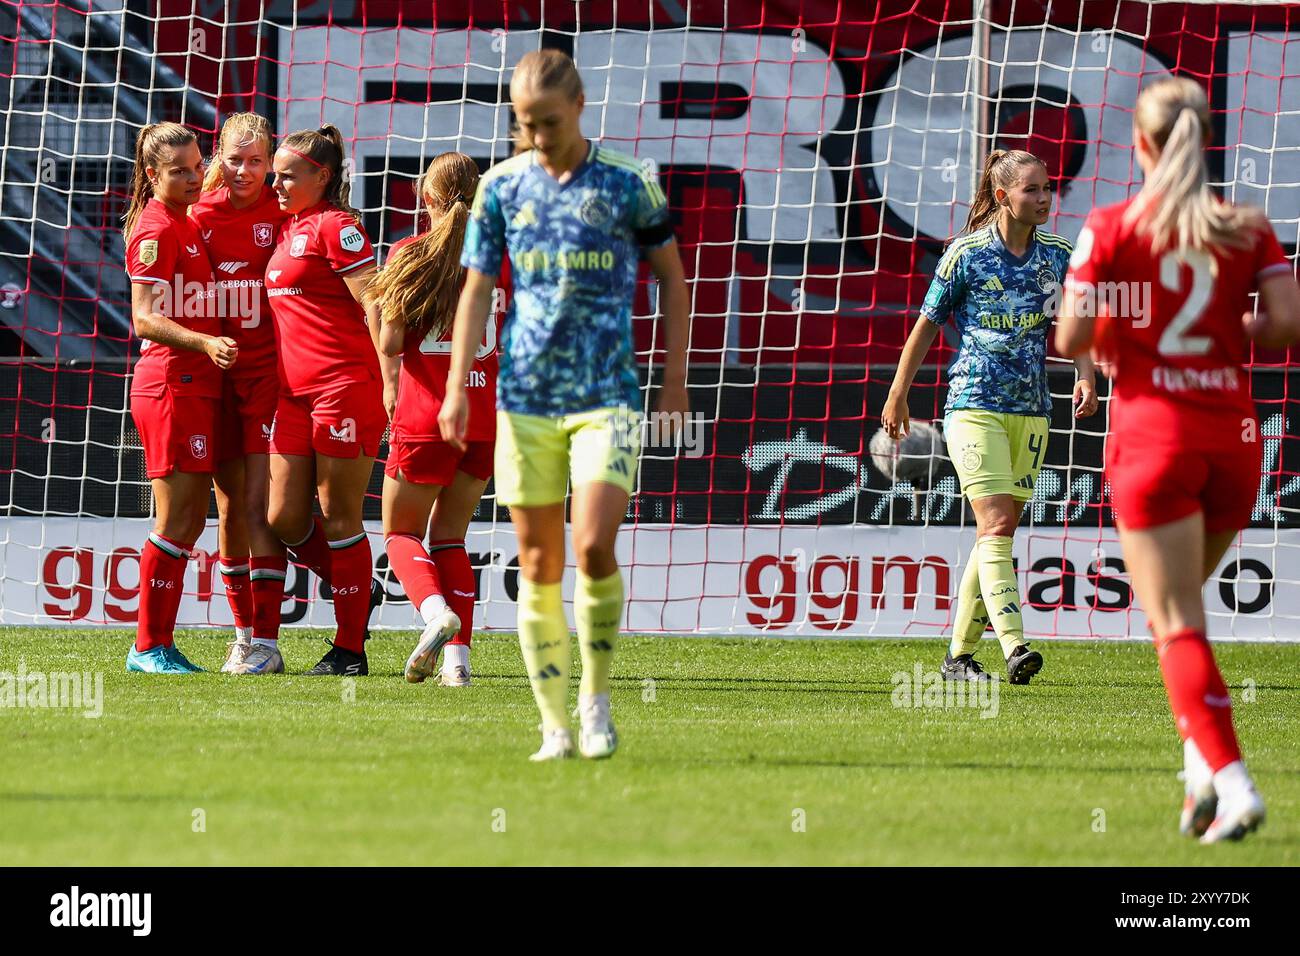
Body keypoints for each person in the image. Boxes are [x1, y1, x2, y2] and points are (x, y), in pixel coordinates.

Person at [1056, 76, 1300, 843]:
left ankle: (1233, 784)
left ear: (1141, 145)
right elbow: (1285, 325)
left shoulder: (1113, 224)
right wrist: (1226, 330)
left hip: (1154, 436)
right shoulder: (1245, 226)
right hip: (1233, 439)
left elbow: (1068, 339)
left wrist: (1132, 338)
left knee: (1175, 625)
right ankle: (1200, 777)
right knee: (1183, 617)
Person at [441, 49, 690, 760]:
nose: (539, 134)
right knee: (539, 561)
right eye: (526, 123)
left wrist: (673, 381)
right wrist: (459, 385)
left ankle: (595, 699)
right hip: (524, 399)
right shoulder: (501, 187)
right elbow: (478, 290)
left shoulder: (626, 183)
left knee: (592, 544)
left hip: (607, 394)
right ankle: (554, 726)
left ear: (579, 107)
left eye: (549, 121)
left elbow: (672, 280)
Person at [882, 148, 1099, 684]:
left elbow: (1078, 320)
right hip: (973, 405)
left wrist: (1086, 374)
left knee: (997, 536)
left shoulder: (1058, 255)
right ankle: (1015, 645)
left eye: (1048, 188)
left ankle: (957, 658)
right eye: (1032, 190)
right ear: (1003, 197)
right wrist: (897, 394)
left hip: (1031, 411)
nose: (1044, 198)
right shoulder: (967, 254)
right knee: (996, 524)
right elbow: (928, 325)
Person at [369, 152, 496, 687]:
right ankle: (458, 665)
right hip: (485, 418)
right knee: (451, 539)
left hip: (426, 414)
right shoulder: (500, 256)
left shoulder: (411, 252)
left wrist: (380, 306)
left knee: (400, 532)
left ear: (428, 200)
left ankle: (432, 615)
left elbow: (392, 343)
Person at [264, 124, 384, 676]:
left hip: (344, 389)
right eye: (276, 174)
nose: (277, 184)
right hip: (293, 396)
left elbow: (377, 306)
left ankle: (350, 648)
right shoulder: (290, 228)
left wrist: (393, 383)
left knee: (340, 519)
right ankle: (354, 584)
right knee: (284, 517)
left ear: (323, 176)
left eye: (289, 175)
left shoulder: (338, 228)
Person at [122, 122, 239, 672]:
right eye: (179, 171)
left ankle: (158, 644)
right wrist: (204, 340)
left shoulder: (184, 220)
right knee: (176, 520)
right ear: (152, 176)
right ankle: (148, 646)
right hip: (170, 384)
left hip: (195, 386)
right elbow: (143, 318)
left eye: (198, 166)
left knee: (190, 521)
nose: (195, 177)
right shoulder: (155, 228)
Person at [191, 112, 290, 674]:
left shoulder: (286, 214)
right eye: (235, 159)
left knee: (261, 508)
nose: (245, 171)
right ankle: (244, 635)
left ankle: (269, 642)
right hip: (212, 379)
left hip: (268, 378)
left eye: (257, 161)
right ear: (218, 156)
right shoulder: (197, 216)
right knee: (227, 510)